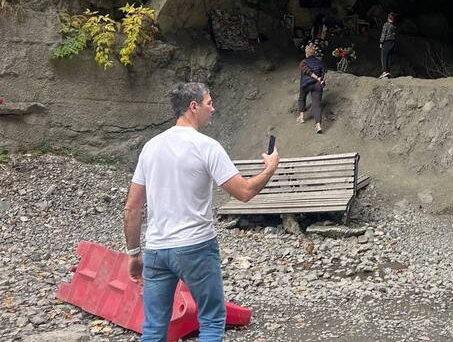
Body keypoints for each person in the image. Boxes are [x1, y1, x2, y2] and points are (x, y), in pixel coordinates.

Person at [123, 82, 280, 341]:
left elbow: (132, 208)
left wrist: (133, 254)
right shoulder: (207, 146)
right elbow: (244, 192)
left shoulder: (150, 147)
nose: (213, 108)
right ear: (194, 107)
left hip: (156, 250)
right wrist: (270, 168)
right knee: (211, 322)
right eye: (209, 103)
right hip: (195, 246)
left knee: (153, 328)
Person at [298, 43, 326, 133]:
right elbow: (323, 73)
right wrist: (320, 80)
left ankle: (301, 117)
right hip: (317, 85)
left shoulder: (303, 62)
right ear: (314, 53)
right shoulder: (319, 62)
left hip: (305, 84)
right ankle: (318, 125)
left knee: (302, 98)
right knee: (317, 105)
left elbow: (306, 71)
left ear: (306, 53)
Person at [379, 11, 398, 79]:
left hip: (387, 42)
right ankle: (388, 71)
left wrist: (381, 42)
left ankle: (384, 71)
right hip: (393, 42)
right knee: (389, 57)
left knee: (384, 56)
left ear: (388, 18)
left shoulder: (386, 25)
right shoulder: (394, 27)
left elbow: (383, 33)